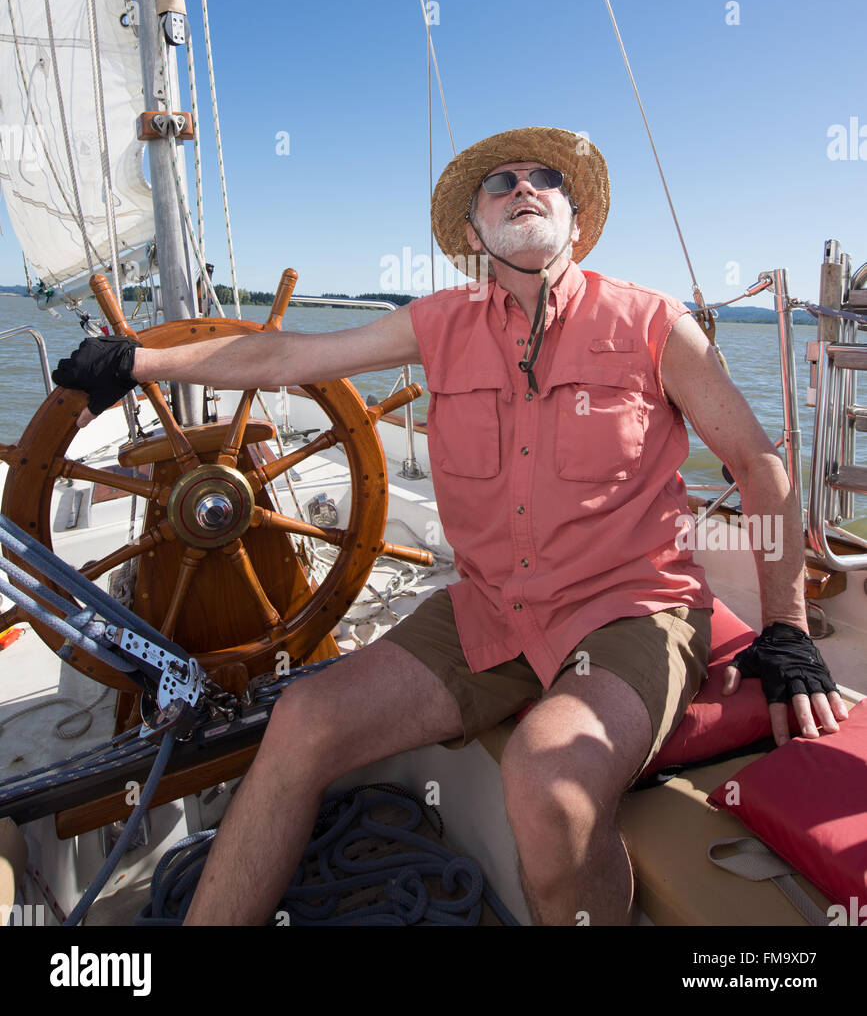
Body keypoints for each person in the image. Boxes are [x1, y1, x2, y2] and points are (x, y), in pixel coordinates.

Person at [51, 125, 845, 927]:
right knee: (302, 721)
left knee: (548, 781)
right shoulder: (438, 323)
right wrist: (138, 363)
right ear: (474, 233)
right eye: (500, 183)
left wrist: (786, 628)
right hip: (490, 608)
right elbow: (284, 360)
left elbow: (756, 464)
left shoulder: (651, 323)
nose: (524, 187)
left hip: (631, 608)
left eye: (544, 179)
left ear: (575, 219)